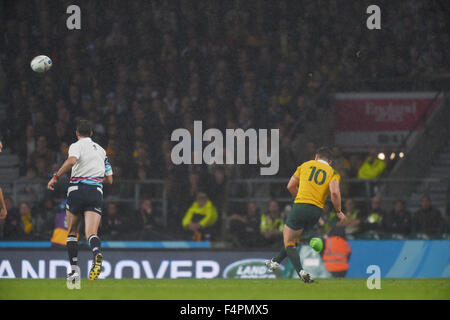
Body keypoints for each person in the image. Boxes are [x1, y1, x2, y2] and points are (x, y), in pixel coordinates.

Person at [265, 146, 346, 283]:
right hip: (316, 212)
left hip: (301, 206)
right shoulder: (333, 172)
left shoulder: (305, 165)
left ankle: (301, 272)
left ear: (316, 157)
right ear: (330, 162)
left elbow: (290, 186)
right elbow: (334, 193)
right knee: (295, 240)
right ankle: (274, 262)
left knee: (289, 241)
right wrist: (338, 211)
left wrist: (301, 199)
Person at [47, 120, 113, 283]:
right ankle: (97, 252)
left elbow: (71, 161)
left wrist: (55, 176)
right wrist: (94, 180)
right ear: (91, 134)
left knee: (72, 232)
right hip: (95, 191)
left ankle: (74, 272)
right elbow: (110, 179)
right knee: (91, 233)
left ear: (77, 134)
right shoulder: (102, 151)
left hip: (77, 190)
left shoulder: (76, 145)